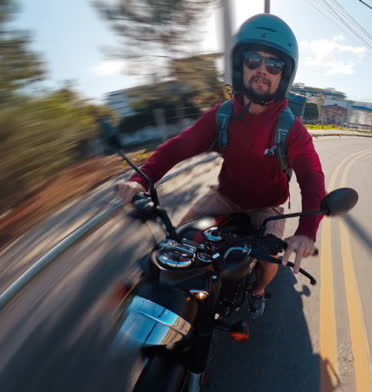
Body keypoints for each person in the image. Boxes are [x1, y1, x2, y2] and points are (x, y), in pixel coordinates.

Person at [115, 14, 326, 319]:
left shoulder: (289, 128)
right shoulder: (223, 115)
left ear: (284, 75)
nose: (262, 70)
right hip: (225, 196)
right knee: (177, 238)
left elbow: (311, 177)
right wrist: (140, 180)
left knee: (271, 260)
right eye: (254, 60)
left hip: (266, 207)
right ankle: (156, 288)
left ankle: (257, 293)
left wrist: (307, 231)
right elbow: (179, 146)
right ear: (241, 65)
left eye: (274, 65)